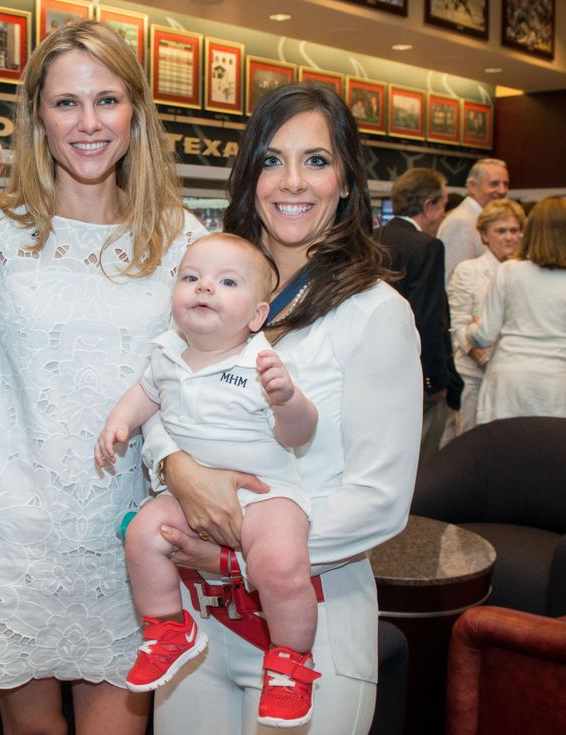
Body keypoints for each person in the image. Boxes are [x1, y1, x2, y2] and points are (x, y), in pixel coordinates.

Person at [147, 83, 422, 734]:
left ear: (349, 181)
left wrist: (239, 554)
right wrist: (178, 468)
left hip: (313, 630)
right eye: (271, 160)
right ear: (249, 178)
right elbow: (162, 401)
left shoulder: (375, 314)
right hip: (201, 621)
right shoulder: (220, 293)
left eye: (316, 161)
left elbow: (379, 500)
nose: (291, 181)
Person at [0, 21, 206, 735]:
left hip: (133, 541)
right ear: (37, 114)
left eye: (107, 100)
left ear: (136, 111)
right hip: (17, 534)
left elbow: (199, 379)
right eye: (67, 103)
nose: (89, 123)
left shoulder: (181, 237)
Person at [96, 234, 321, 727]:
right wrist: (120, 421)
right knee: (141, 534)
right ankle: (167, 628)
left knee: (281, 566)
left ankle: (290, 663)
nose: (204, 289)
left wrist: (288, 401)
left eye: (226, 282)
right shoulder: (167, 354)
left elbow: (300, 434)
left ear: (256, 315)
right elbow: (144, 395)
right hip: (186, 493)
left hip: (267, 494)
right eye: (191, 278)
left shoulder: (261, 363)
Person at [375, 167, 462, 464]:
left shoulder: (370, 238)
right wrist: (434, 381)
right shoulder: (428, 247)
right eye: (444, 205)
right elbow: (426, 317)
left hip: (375, 368)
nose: (443, 215)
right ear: (429, 206)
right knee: (419, 461)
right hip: (414, 373)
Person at [463, 196, 566, 425]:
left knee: (505, 453)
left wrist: (470, 328)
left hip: (509, 382)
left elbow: (484, 336)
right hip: (558, 383)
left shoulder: (510, 271)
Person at [447, 199, 525, 435]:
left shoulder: (527, 272)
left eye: (514, 230)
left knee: (507, 437)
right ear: (484, 235)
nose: (509, 237)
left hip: (513, 373)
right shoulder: (467, 270)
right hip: (471, 371)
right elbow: (458, 323)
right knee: (468, 437)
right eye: (501, 231)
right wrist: (483, 358)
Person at [437, 158, 509, 281]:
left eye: (505, 184)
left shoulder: (481, 218)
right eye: (494, 184)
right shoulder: (461, 221)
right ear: (472, 186)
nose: (502, 191)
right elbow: (453, 280)